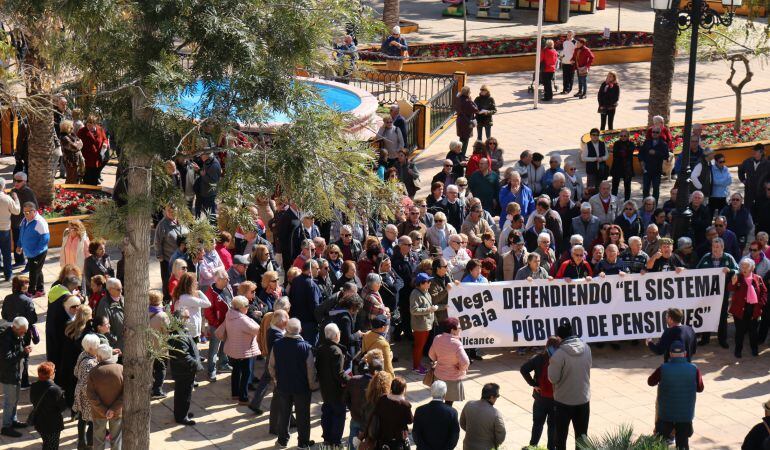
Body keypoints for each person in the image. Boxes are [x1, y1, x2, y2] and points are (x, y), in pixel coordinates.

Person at [269, 318, 318, 449]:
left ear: (286, 329)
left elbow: (271, 366)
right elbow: (310, 371)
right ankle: (303, 443)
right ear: (300, 330)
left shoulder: (277, 344)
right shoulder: (306, 348)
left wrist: (276, 380)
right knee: (303, 416)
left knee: (284, 414)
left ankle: (282, 441)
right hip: (301, 388)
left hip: (283, 386)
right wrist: (312, 385)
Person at [647, 340, 704, 450]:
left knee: (660, 443)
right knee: (683, 444)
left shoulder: (663, 368)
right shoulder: (694, 369)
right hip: (685, 415)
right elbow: (700, 388)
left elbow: (650, 382)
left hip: (665, 414)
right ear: (685, 353)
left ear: (670, 354)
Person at [549, 323, 592, 450]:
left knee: (561, 438)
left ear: (559, 338)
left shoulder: (559, 354)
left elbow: (553, 378)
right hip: (583, 399)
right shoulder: (587, 348)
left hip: (563, 401)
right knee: (582, 437)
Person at [696, 237, 738, 347]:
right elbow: (696, 270)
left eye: (718, 247)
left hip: (723, 292)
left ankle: (722, 340)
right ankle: (705, 339)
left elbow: (738, 270)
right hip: (707, 292)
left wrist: (731, 271)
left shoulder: (728, 258)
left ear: (723, 247)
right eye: (714, 247)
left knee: (722, 316)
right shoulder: (706, 257)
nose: (715, 249)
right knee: (706, 314)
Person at [521, 336, 561, 450]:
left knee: (537, 424)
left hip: (540, 398)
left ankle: (533, 446)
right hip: (555, 399)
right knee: (552, 426)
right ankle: (551, 448)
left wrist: (534, 384)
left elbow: (523, 369)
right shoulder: (561, 360)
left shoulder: (538, 358)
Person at [316, 323, 349, 447]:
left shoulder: (320, 348)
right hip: (336, 389)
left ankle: (327, 438)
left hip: (325, 387)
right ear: (336, 335)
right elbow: (339, 374)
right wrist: (350, 380)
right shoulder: (336, 351)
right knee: (338, 415)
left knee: (327, 413)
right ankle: (335, 441)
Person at [1, 276, 36, 389]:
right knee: (24, 355)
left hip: (11, 329)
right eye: (26, 283)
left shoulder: (7, 298)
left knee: (12, 354)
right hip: (23, 331)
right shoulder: (27, 301)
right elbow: (33, 318)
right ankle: (24, 381)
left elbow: (4, 315)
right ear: (21, 286)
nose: (28, 285)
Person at [168, 309, 202, 425]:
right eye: (187, 317)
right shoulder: (179, 335)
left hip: (183, 370)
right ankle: (181, 417)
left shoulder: (181, 331)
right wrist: (196, 365)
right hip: (184, 370)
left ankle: (182, 412)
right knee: (184, 394)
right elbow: (184, 356)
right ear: (181, 319)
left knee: (182, 393)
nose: (189, 319)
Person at [87, 343, 123, 450]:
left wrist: (103, 410)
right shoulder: (121, 369)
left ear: (100, 357)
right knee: (116, 440)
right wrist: (112, 409)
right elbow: (125, 393)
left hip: (98, 412)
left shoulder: (93, 372)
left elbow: (90, 394)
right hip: (117, 412)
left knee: (98, 441)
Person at [729, 258, 767, 358]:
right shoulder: (738, 277)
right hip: (739, 310)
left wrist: (761, 304)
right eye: (742, 267)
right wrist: (732, 283)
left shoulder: (757, 278)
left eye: (746, 267)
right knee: (740, 332)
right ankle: (738, 351)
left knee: (753, 332)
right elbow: (730, 288)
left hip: (754, 310)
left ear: (752, 268)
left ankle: (754, 350)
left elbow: (764, 292)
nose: (744, 269)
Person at [0, 316, 30, 438]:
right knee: (9, 401)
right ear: (14, 327)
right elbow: (6, 359)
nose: (23, 334)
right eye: (22, 331)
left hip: (16, 372)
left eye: (25, 331)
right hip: (8, 374)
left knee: (16, 399)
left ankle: (13, 420)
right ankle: (6, 426)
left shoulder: (16, 334)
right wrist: (23, 353)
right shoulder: (5, 339)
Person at [428, 317, 470, 406]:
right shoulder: (456, 343)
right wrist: (461, 368)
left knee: (437, 400)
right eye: (459, 328)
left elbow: (431, 354)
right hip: (453, 378)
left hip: (438, 374)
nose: (460, 329)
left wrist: (437, 360)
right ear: (452, 330)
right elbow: (466, 362)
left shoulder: (437, 338)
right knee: (449, 404)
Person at [367, 377, 412, 450]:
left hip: (382, 438)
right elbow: (410, 421)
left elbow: (376, 413)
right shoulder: (405, 405)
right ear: (403, 390)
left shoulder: (382, 399)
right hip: (397, 439)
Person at [412, 380, 460, 450]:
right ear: (444, 394)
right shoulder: (452, 412)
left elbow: (416, 434)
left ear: (431, 393)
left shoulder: (420, 410)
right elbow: (454, 436)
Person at [29, 361, 67, 450]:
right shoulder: (56, 390)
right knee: (52, 446)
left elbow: (32, 400)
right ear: (50, 374)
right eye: (54, 371)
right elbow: (63, 407)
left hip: (39, 422)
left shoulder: (34, 386)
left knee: (46, 443)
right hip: (52, 425)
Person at [460, 383, 506, 450]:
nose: (496, 399)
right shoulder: (495, 414)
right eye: (497, 396)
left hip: (468, 446)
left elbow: (462, 423)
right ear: (491, 397)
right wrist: (494, 445)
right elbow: (501, 435)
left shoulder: (469, 404)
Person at [73, 334, 101, 448]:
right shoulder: (89, 363)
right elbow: (86, 384)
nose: (98, 348)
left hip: (80, 393)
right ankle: (89, 445)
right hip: (87, 396)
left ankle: (81, 442)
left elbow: (75, 372)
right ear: (90, 348)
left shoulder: (83, 354)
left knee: (82, 418)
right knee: (92, 421)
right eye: (97, 346)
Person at [18, 201, 50, 296]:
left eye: (28, 212)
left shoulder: (40, 222)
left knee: (33, 272)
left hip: (38, 253)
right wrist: (19, 245)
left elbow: (45, 239)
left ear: (34, 211)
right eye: (24, 212)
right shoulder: (24, 220)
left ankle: (31, 291)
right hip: (30, 252)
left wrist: (35, 251)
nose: (26, 214)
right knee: (37, 270)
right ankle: (40, 290)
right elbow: (21, 234)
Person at [289, 259, 322, 345]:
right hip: (309, 324)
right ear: (311, 269)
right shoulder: (311, 285)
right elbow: (315, 306)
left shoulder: (295, 281)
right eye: (317, 268)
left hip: (296, 321)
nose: (319, 270)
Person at [410, 272, 437, 374]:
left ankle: (418, 365)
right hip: (420, 326)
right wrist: (429, 309)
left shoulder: (426, 291)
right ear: (421, 283)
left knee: (421, 346)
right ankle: (416, 367)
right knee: (419, 347)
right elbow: (413, 310)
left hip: (426, 325)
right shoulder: (415, 294)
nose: (430, 283)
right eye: (428, 281)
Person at [10, 172, 37, 270]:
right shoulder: (13, 191)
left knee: (28, 244)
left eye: (19, 181)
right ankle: (19, 261)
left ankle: (30, 265)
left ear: (24, 181)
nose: (16, 182)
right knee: (17, 242)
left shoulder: (28, 192)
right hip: (15, 222)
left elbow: (34, 208)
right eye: (14, 180)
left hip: (25, 223)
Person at [173, 272, 211, 341]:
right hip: (190, 331)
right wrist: (199, 292)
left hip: (188, 329)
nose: (197, 283)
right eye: (195, 281)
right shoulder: (187, 298)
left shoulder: (183, 295)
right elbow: (208, 304)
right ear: (190, 284)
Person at [638, 127, 670, 201]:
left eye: (657, 132)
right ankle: (645, 206)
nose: (654, 133)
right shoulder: (647, 142)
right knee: (645, 189)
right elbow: (640, 154)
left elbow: (666, 156)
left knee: (656, 189)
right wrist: (642, 163)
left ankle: (654, 207)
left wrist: (656, 153)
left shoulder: (663, 144)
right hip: (647, 169)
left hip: (657, 170)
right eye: (653, 132)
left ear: (660, 133)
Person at [77, 115, 109, 185]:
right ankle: (86, 195)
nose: (89, 127)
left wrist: (105, 144)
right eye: (88, 125)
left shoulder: (100, 129)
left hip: (97, 160)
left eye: (91, 126)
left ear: (95, 124)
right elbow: (77, 141)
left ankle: (92, 195)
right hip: (87, 160)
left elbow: (105, 139)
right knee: (87, 181)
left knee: (94, 180)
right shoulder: (82, 131)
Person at [96, 278, 125, 350]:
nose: (121, 291)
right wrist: (115, 340)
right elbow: (103, 328)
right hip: (116, 347)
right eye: (118, 289)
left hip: (125, 344)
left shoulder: (122, 298)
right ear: (110, 289)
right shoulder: (104, 305)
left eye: (122, 288)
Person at [0, 181, 20, 281]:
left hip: (4, 229)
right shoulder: (6, 198)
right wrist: (16, 198)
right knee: (6, 253)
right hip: (4, 230)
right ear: (3, 187)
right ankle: (8, 274)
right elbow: (16, 211)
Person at [739, 143, 768, 210]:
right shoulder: (747, 161)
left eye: (755, 151)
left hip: (762, 193)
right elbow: (740, 171)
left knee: (761, 212)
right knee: (748, 212)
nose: (753, 152)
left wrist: (767, 184)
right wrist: (743, 180)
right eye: (753, 150)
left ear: (761, 152)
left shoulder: (767, 164)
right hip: (749, 192)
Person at [194, 152, 222, 218]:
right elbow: (205, 173)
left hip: (209, 194)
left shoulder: (214, 165)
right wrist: (199, 170)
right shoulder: (208, 161)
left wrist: (199, 171)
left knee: (210, 215)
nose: (200, 156)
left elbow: (212, 181)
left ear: (206, 155)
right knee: (204, 212)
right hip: (203, 192)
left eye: (201, 155)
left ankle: (213, 227)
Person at [609, 130, 635, 201]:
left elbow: (628, 153)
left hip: (627, 168)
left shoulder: (631, 144)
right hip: (617, 167)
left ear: (628, 136)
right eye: (621, 136)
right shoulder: (616, 143)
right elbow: (616, 154)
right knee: (615, 186)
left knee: (627, 186)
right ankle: (613, 201)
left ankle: (627, 201)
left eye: (625, 136)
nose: (623, 137)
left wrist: (622, 152)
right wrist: (623, 152)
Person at [455, 85, 480, 157]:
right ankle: (462, 154)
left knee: (461, 138)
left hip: (460, 121)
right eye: (470, 92)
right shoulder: (468, 101)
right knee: (465, 140)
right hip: (466, 122)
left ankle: (459, 153)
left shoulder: (458, 99)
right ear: (468, 93)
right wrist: (471, 100)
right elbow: (476, 109)